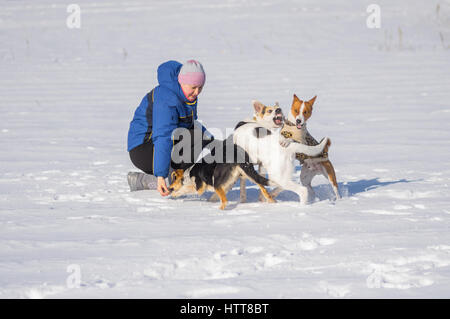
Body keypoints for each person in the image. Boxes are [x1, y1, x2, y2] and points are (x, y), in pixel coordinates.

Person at [127, 60, 213, 196]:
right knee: (193, 138)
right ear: (181, 82)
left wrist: (214, 143)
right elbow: (163, 136)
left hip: (158, 144)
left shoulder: (186, 94)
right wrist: (161, 175)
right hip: (142, 149)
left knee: (201, 137)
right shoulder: (166, 100)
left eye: (200, 87)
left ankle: (170, 178)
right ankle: (165, 180)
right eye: (194, 87)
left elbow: (191, 124)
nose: (197, 92)